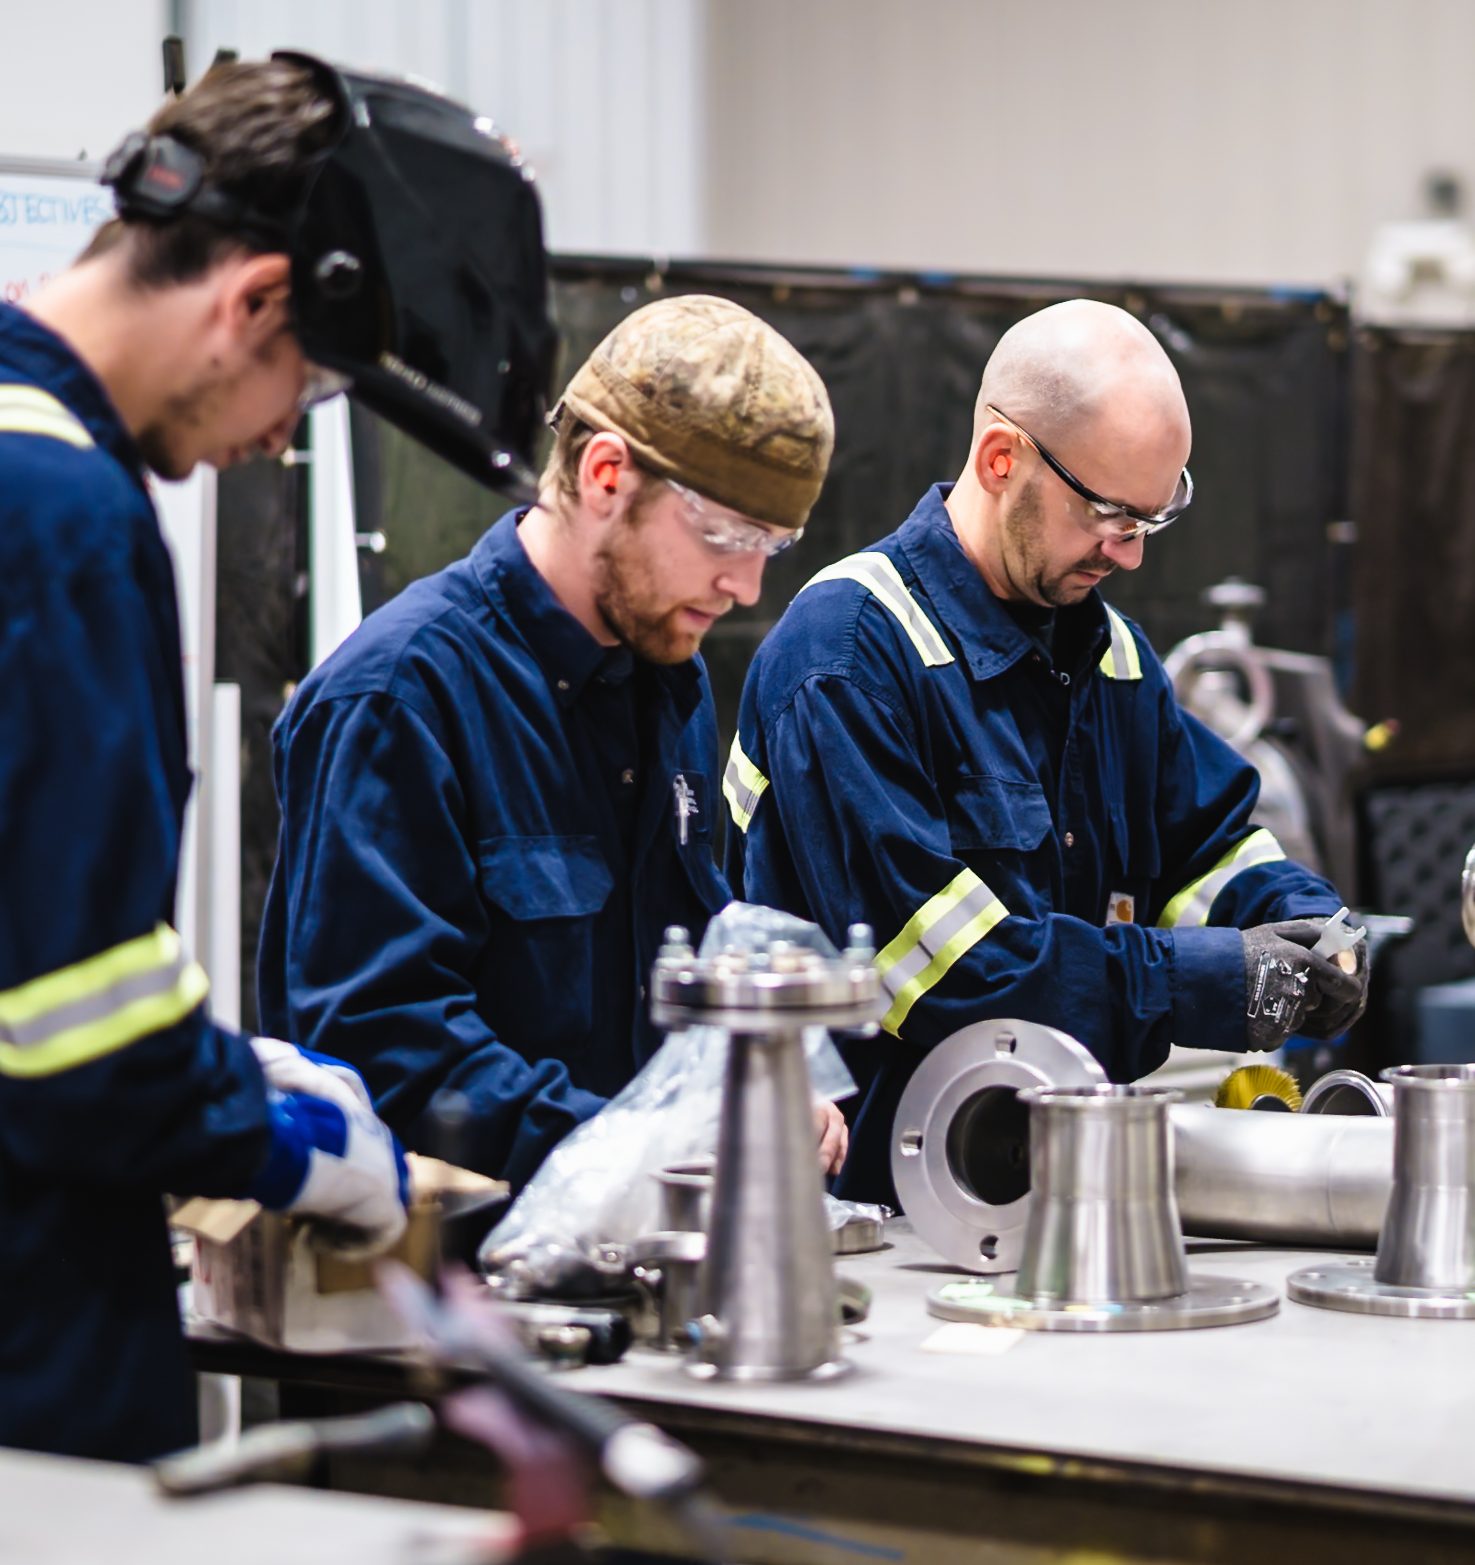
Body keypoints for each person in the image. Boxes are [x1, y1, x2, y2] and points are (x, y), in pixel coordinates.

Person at [0, 53, 556, 1462]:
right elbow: (72, 1031)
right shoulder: (61, 518)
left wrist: (212, 1058)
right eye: (308, 392)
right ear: (253, 300)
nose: (272, 442)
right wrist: (287, 1140)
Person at [725, 299, 1368, 1206]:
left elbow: (1205, 848)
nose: (1128, 555)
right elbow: (948, 975)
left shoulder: (1110, 657)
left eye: (1149, 521)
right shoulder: (847, 658)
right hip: (876, 1210)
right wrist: (1218, 980)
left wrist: (1302, 923)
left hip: (1055, 1193)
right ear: (1001, 459)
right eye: (1108, 514)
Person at [257, 293, 848, 1194]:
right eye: (725, 535)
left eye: (771, 544)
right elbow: (384, 1055)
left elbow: (678, 961)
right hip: (447, 1262)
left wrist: (756, 1084)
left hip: (636, 1245)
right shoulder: (398, 698)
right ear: (606, 475)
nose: (745, 585)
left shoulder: (668, 675)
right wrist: (646, 1147)